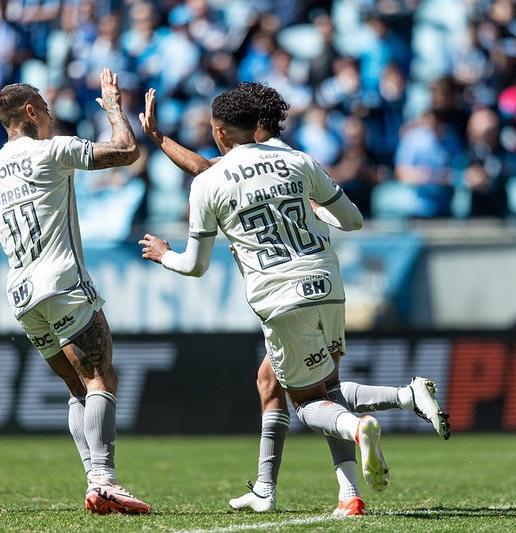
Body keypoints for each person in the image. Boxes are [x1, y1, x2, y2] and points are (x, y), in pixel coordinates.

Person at [140, 82, 450, 517]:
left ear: (220, 132)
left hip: (279, 296)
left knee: (309, 403)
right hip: (328, 286)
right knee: (291, 384)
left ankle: (366, 424)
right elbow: (354, 220)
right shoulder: (298, 160)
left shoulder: (209, 183)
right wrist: (310, 211)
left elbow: (195, 265)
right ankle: (324, 491)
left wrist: (163, 254)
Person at [0, 69, 151, 515]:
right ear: (30, 110)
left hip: (20, 295)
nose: (53, 117)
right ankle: (104, 480)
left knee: (78, 390)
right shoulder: (51, 152)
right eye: (47, 108)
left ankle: (96, 482)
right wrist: (114, 108)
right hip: (61, 282)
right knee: (100, 378)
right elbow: (127, 151)